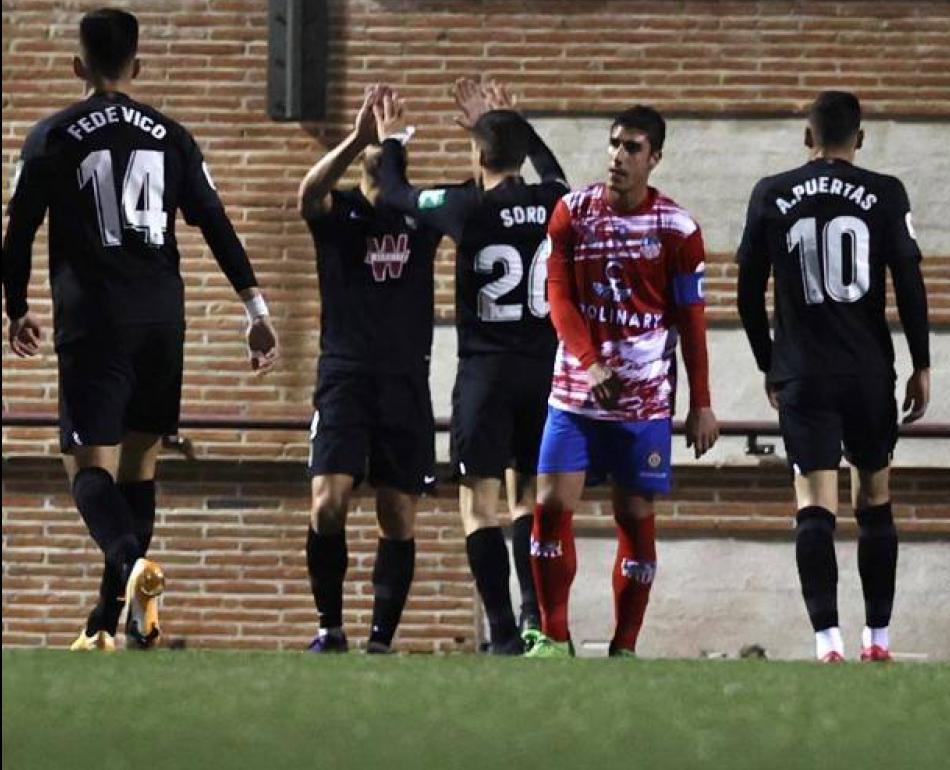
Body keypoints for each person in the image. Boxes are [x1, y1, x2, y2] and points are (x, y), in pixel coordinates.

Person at [1, 8, 279, 650]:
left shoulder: (51, 135)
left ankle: (132, 568)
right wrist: (254, 310)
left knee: (85, 467)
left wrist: (15, 308)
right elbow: (214, 222)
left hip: (95, 319)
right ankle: (108, 623)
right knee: (140, 470)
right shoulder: (172, 136)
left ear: (78, 66)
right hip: (163, 320)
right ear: (138, 66)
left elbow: (16, 238)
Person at [373, 80, 567, 654]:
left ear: (478, 156)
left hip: (486, 374)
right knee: (529, 498)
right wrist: (512, 120)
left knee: (478, 504)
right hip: (545, 372)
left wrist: (392, 140)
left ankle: (503, 633)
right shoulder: (556, 199)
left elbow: (394, 191)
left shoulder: (465, 206)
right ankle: (537, 621)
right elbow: (552, 168)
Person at [519, 105, 719, 658]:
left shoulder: (677, 229)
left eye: (633, 148)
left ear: (654, 158)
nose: (619, 157)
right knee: (550, 505)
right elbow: (557, 297)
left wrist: (701, 403)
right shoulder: (571, 213)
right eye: (614, 144)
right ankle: (554, 638)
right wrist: (589, 361)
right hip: (575, 394)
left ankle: (624, 646)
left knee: (634, 517)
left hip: (644, 401)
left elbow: (692, 323)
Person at [736, 90, 930, 663]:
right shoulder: (886, 192)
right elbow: (910, 283)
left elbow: (748, 293)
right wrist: (922, 363)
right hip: (868, 369)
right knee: (874, 497)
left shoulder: (771, 193)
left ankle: (828, 643)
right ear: (860, 139)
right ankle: (880, 640)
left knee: (813, 502)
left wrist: (766, 360)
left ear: (807, 137)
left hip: (803, 370)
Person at [295, 86, 443, 654]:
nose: (382, 155)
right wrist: (358, 137)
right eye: (374, 153)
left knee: (397, 511)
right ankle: (329, 625)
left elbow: (482, 196)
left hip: (405, 382)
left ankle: (380, 640)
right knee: (327, 503)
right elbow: (306, 195)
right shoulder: (342, 214)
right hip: (345, 378)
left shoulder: (419, 217)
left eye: (391, 149)